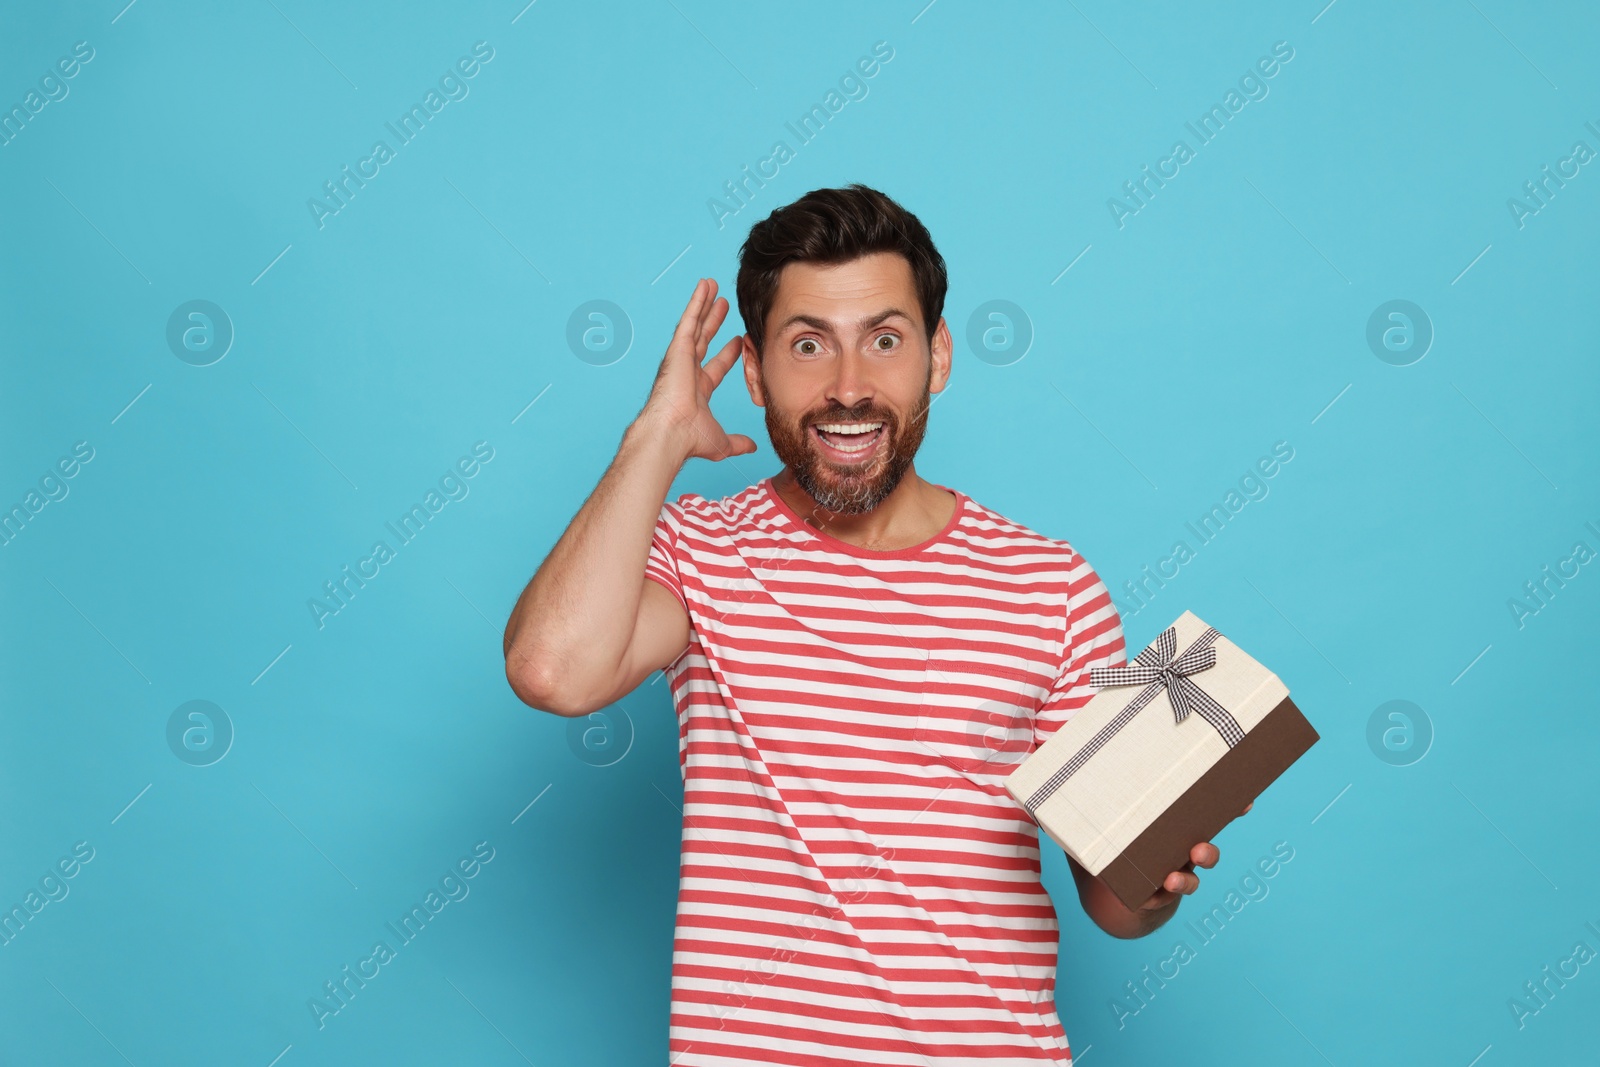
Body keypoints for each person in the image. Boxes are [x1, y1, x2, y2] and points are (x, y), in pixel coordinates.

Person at [502, 184, 1250, 1065]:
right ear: (753, 373)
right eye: (808, 344)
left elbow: (1116, 903)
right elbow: (552, 669)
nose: (848, 388)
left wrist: (1156, 878)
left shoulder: (1051, 585)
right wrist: (657, 434)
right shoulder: (698, 553)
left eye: (884, 341)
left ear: (937, 356)